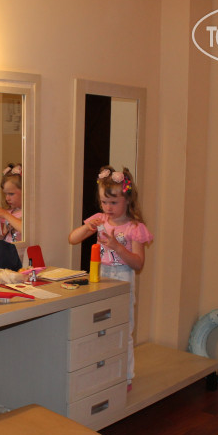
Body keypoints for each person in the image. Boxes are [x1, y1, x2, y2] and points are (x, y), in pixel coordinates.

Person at [68, 165, 153, 390]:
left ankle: (126, 376)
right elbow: (73, 239)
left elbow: (138, 263)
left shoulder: (135, 227)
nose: (108, 207)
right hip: (100, 278)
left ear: (128, 199)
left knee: (123, 329)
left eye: (113, 202)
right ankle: (103, 371)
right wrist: (87, 227)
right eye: (104, 202)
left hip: (123, 282)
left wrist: (117, 246)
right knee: (99, 328)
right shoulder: (100, 220)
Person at [0, 163, 23, 242]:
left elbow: (25, 230)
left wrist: (6, 215)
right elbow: (3, 239)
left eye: (11, 194)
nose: (7, 198)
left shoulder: (28, 214)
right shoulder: (10, 212)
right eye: (5, 194)